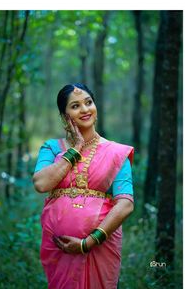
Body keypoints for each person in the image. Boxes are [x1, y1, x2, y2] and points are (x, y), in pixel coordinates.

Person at [33, 83, 134, 289]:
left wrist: (88, 243)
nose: (85, 109)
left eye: (88, 102)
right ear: (64, 116)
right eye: (75, 106)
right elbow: (42, 183)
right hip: (59, 250)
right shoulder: (52, 148)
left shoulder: (116, 153)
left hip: (100, 247)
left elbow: (125, 204)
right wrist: (76, 148)